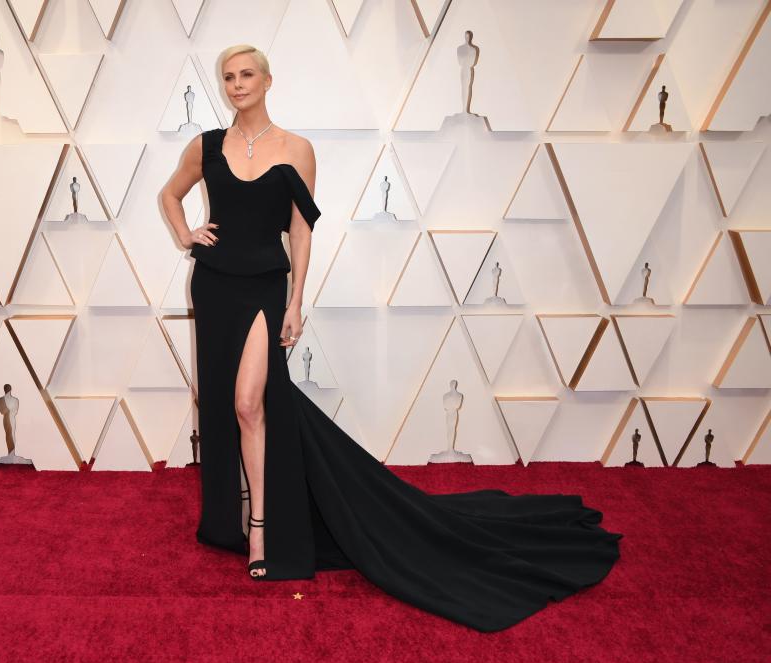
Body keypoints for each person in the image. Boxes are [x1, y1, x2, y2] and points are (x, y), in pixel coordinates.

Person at [158, 44, 623, 632]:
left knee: (251, 404)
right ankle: (236, 511)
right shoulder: (206, 145)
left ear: (269, 80)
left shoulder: (296, 149)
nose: (237, 84)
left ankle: (260, 531)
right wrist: (187, 235)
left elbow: (301, 231)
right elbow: (169, 194)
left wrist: (297, 299)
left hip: (264, 287)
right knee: (228, 408)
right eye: (228, 77)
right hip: (216, 285)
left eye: (247, 74)